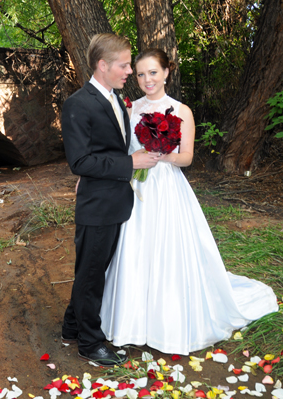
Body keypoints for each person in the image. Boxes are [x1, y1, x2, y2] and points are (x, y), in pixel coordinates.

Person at [100, 49, 279, 355]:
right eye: (141, 74)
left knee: (167, 251)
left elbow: (186, 157)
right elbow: (121, 151)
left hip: (168, 188)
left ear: (167, 72)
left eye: (153, 73)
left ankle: (167, 322)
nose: (147, 80)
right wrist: (136, 159)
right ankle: (130, 320)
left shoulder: (181, 111)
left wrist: (161, 153)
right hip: (136, 189)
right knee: (133, 249)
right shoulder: (129, 109)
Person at [60, 34, 160, 366]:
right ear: (103, 66)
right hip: (97, 206)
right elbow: (80, 162)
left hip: (116, 202)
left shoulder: (117, 100)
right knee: (91, 274)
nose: (130, 71)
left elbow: (111, 149)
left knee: (93, 269)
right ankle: (90, 343)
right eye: (124, 65)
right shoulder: (78, 103)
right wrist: (130, 164)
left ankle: (72, 326)